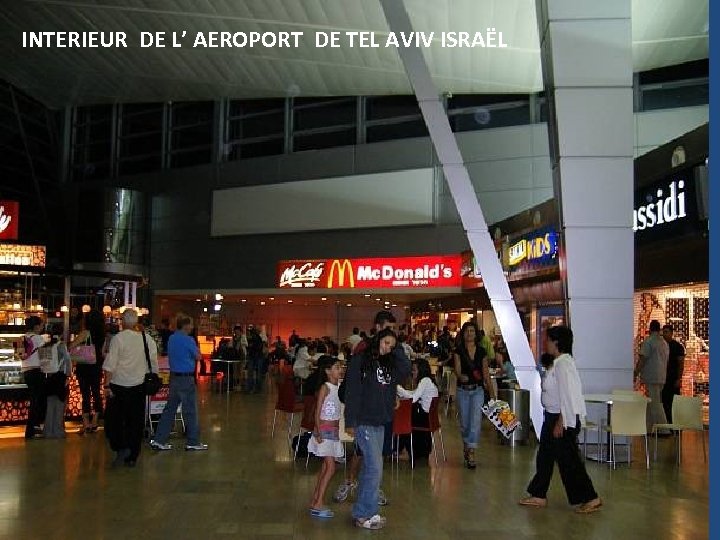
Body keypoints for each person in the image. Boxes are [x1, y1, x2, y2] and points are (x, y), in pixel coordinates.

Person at [519, 325, 602, 514]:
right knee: (545, 457)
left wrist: (561, 421)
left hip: (560, 418)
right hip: (552, 417)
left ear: (556, 342)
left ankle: (590, 497)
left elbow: (568, 395)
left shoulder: (564, 364)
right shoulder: (557, 363)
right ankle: (538, 494)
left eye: (548, 340)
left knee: (569, 461)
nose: (545, 343)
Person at [335, 310, 408, 507]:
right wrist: (351, 420)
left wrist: (395, 346)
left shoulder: (390, 356)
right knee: (369, 461)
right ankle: (358, 494)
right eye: (387, 331)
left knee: (375, 462)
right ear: (377, 329)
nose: (389, 336)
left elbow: (400, 373)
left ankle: (369, 497)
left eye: (393, 331)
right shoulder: (363, 353)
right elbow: (353, 389)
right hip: (364, 416)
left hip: (381, 417)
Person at [103, 309, 159, 467]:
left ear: (122, 321)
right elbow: (153, 363)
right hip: (139, 386)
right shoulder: (146, 339)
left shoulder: (118, 339)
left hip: (119, 386)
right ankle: (133, 454)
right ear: (136, 321)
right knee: (135, 421)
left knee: (115, 420)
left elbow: (110, 365)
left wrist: (107, 385)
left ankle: (120, 447)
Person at [150, 314, 208, 452]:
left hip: (174, 378)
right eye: (191, 324)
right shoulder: (188, 340)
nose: (193, 327)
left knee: (169, 410)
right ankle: (193, 441)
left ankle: (159, 439)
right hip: (186, 379)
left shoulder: (172, 338)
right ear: (186, 325)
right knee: (190, 411)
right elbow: (198, 356)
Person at [454, 320, 496, 469]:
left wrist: (492, 394)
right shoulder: (459, 351)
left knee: (475, 421)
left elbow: (486, 374)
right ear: (463, 334)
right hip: (463, 391)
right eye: (467, 331)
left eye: (472, 331)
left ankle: (471, 451)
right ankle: (466, 444)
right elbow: (457, 370)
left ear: (476, 334)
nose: (469, 334)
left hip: (477, 390)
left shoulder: (482, 351)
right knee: (465, 423)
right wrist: (460, 376)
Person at [307, 355, 344, 519]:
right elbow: (318, 409)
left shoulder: (338, 387)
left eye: (341, 367)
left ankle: (316, 498)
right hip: (325, 430)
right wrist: (318, 429)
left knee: (325, 466)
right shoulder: (326, 387)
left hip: (333, 431)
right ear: (328, 371)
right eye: (337, 367)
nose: (340, 370)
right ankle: (318, 502)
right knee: (331, 467)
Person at [396, 358, 439, 460]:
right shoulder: (429, 380)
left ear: (421, 370)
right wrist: (401, 390)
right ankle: (403, 450)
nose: (412, 372)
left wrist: (397, 388)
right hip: (429, 418)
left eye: (414, 370)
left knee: (402, 420)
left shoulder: (425, 381)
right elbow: (413, 393)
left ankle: (398, 450)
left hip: (424, 418)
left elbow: (413, 398)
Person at [635, 320, 670, 432]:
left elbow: (643, 359)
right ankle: (649, 428)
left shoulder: (649, 342)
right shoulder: (664, 343)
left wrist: (636, 372)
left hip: (651, 376)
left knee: (655, 404)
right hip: (662, 376)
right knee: (651, 403)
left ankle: (664, 429)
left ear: (650, 328)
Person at [74, 309, 105, 434]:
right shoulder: (102, 334)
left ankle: (86, 423)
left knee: (85, 394)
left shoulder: (85, 333)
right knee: (96, 392)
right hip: (97, 365)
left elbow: (71, 346)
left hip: (84, 366)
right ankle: (95, 421)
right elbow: (102, 352)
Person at [21, 316, 47, 439]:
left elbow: (19, 355)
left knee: (34, 400)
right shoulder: (38, 338)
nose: (42, 328)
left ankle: (31, 430)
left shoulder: (22, 337)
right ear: (36, 326)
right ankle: (33, 430)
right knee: (37, 402)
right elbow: (44, 355)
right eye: (41, 325)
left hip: (26, 371)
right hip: (36, 371)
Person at [42, 335, 72, 439]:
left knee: (50, 406)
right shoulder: (61, 345)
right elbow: (67, 360)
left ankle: (48, 431)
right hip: (60, 377)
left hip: (49, 377)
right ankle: (58, 431)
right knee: (59, 405)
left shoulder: (46, 345)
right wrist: (68, 375)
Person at [661, 324, 685, 423]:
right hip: (663, 378)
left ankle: (675, 425)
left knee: (674, 402)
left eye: (666, 332)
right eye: (663, 332)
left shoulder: (677, 347)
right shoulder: (661, 346)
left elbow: (681, 364)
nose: (664, 334)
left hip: (673, 378)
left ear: (671, 333)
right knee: (664, 402)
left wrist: (679, 379)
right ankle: (666, 424)